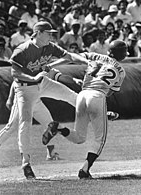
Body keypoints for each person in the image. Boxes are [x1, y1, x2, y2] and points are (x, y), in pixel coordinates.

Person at [9, 20, 92, 180]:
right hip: (25, 88)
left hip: (42, 82)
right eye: (48, 33)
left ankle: (96, 112)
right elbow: (15, 73)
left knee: (70, 95)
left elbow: (68, 56)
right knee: (25, 123)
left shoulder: (50, 47)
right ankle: (26, 164)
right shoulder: (23, 50)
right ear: (38, 33)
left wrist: (85, 60)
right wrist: (33, 77)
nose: (51, 36)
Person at [42, 40, 128, 179]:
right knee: (100, 139)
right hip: (97, 95)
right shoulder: (121, 71)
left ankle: (59, 128)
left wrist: (50, 65)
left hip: (82, 95)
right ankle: (85, 169)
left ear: (109, 51)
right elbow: (109, 92)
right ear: (123, 55)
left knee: (79, 137)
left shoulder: (95, 56)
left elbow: (70, 56)